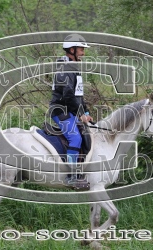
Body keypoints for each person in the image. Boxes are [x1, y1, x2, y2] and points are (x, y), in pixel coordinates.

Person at [49, 34, 93, 189]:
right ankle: (71, 177)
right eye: (81, 49)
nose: (83, 52)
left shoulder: (73, 67)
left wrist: (86, 112)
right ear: (72, 49)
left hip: (70, 110)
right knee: (75, 139)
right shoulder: (65, 67)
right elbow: (68, 94)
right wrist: (79, 113)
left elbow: (78, 95)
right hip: (61, 111)